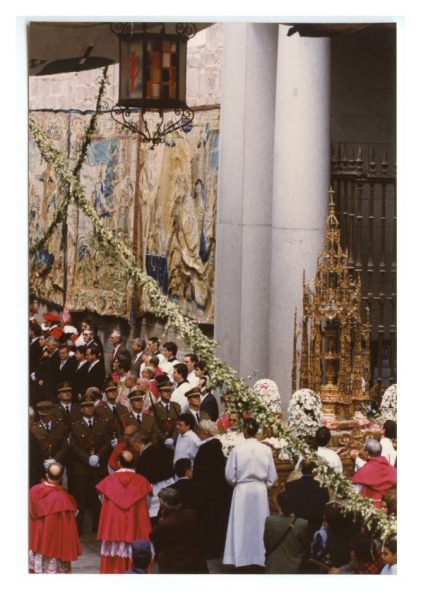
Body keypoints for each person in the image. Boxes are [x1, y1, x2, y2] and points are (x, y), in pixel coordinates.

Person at [223, 417, 278, 571]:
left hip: (242, 489)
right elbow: (272, 476)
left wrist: (238, 484)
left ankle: (240, 558)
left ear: (245, 431)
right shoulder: (266, 449)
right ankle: (259, 557)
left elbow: (229, 475)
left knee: (241, 524)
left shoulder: (237, 449)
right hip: (260, 490)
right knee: (259, 524)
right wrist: (262, 485)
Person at [96, 450, 152, 573]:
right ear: (134, 464)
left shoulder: (108, 482)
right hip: (135, 525)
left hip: (114, 527)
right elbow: (147, 505)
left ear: (119, 463)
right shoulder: (142, 482)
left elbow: (103, 502)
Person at [193, 419, 232, 571]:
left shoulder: (205, 449)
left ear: (204, 433)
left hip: (207, 493)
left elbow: (199, 473)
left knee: (209, 521)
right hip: (219, 492)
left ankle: (210, 550)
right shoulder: (217, 447)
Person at [29, 462, 81, 573]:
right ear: (62, 477)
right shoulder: (65, 499)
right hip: (55, 547)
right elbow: (69, 527)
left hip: (37, 543)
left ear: (46, 475)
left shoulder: (33, 491)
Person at [69, 398, 112, 534]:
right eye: (86, 407)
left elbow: (107, 442)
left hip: (98, 465)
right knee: (80, 497)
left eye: (90, 407)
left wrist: (98, 456)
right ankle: (78, 527)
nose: (89, 409)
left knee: (97, 498)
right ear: (81, 409)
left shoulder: (101, 424)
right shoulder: (75, 425)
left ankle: (98, 526)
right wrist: (87, 459)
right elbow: (73, 447)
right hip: (81, 466)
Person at [150, 487, 208, 574]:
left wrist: (161, 518)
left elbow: (152, 536)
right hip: (194, 561)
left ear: (165, 504)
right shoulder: (191, 514)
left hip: (173, 564)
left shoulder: (163, 523)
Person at [264, 490, 309, 574]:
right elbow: (304, 546)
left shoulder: (269, 521)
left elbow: (267, 543)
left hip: (273, 565)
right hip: (294, 566)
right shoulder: (302, 523)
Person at [285, 458, 330, 537]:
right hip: (316, 523)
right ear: (314, 471)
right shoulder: (322, 487)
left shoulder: (291, 486)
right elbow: (325, 505)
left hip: (297, 523)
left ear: (301, 470)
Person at [351, 438, 397, 508]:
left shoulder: (363, 472)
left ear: (366, 453)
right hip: (390, 509)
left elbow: (355, 494)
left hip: (370, 509)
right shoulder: (392, 470)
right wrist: (357, 459)